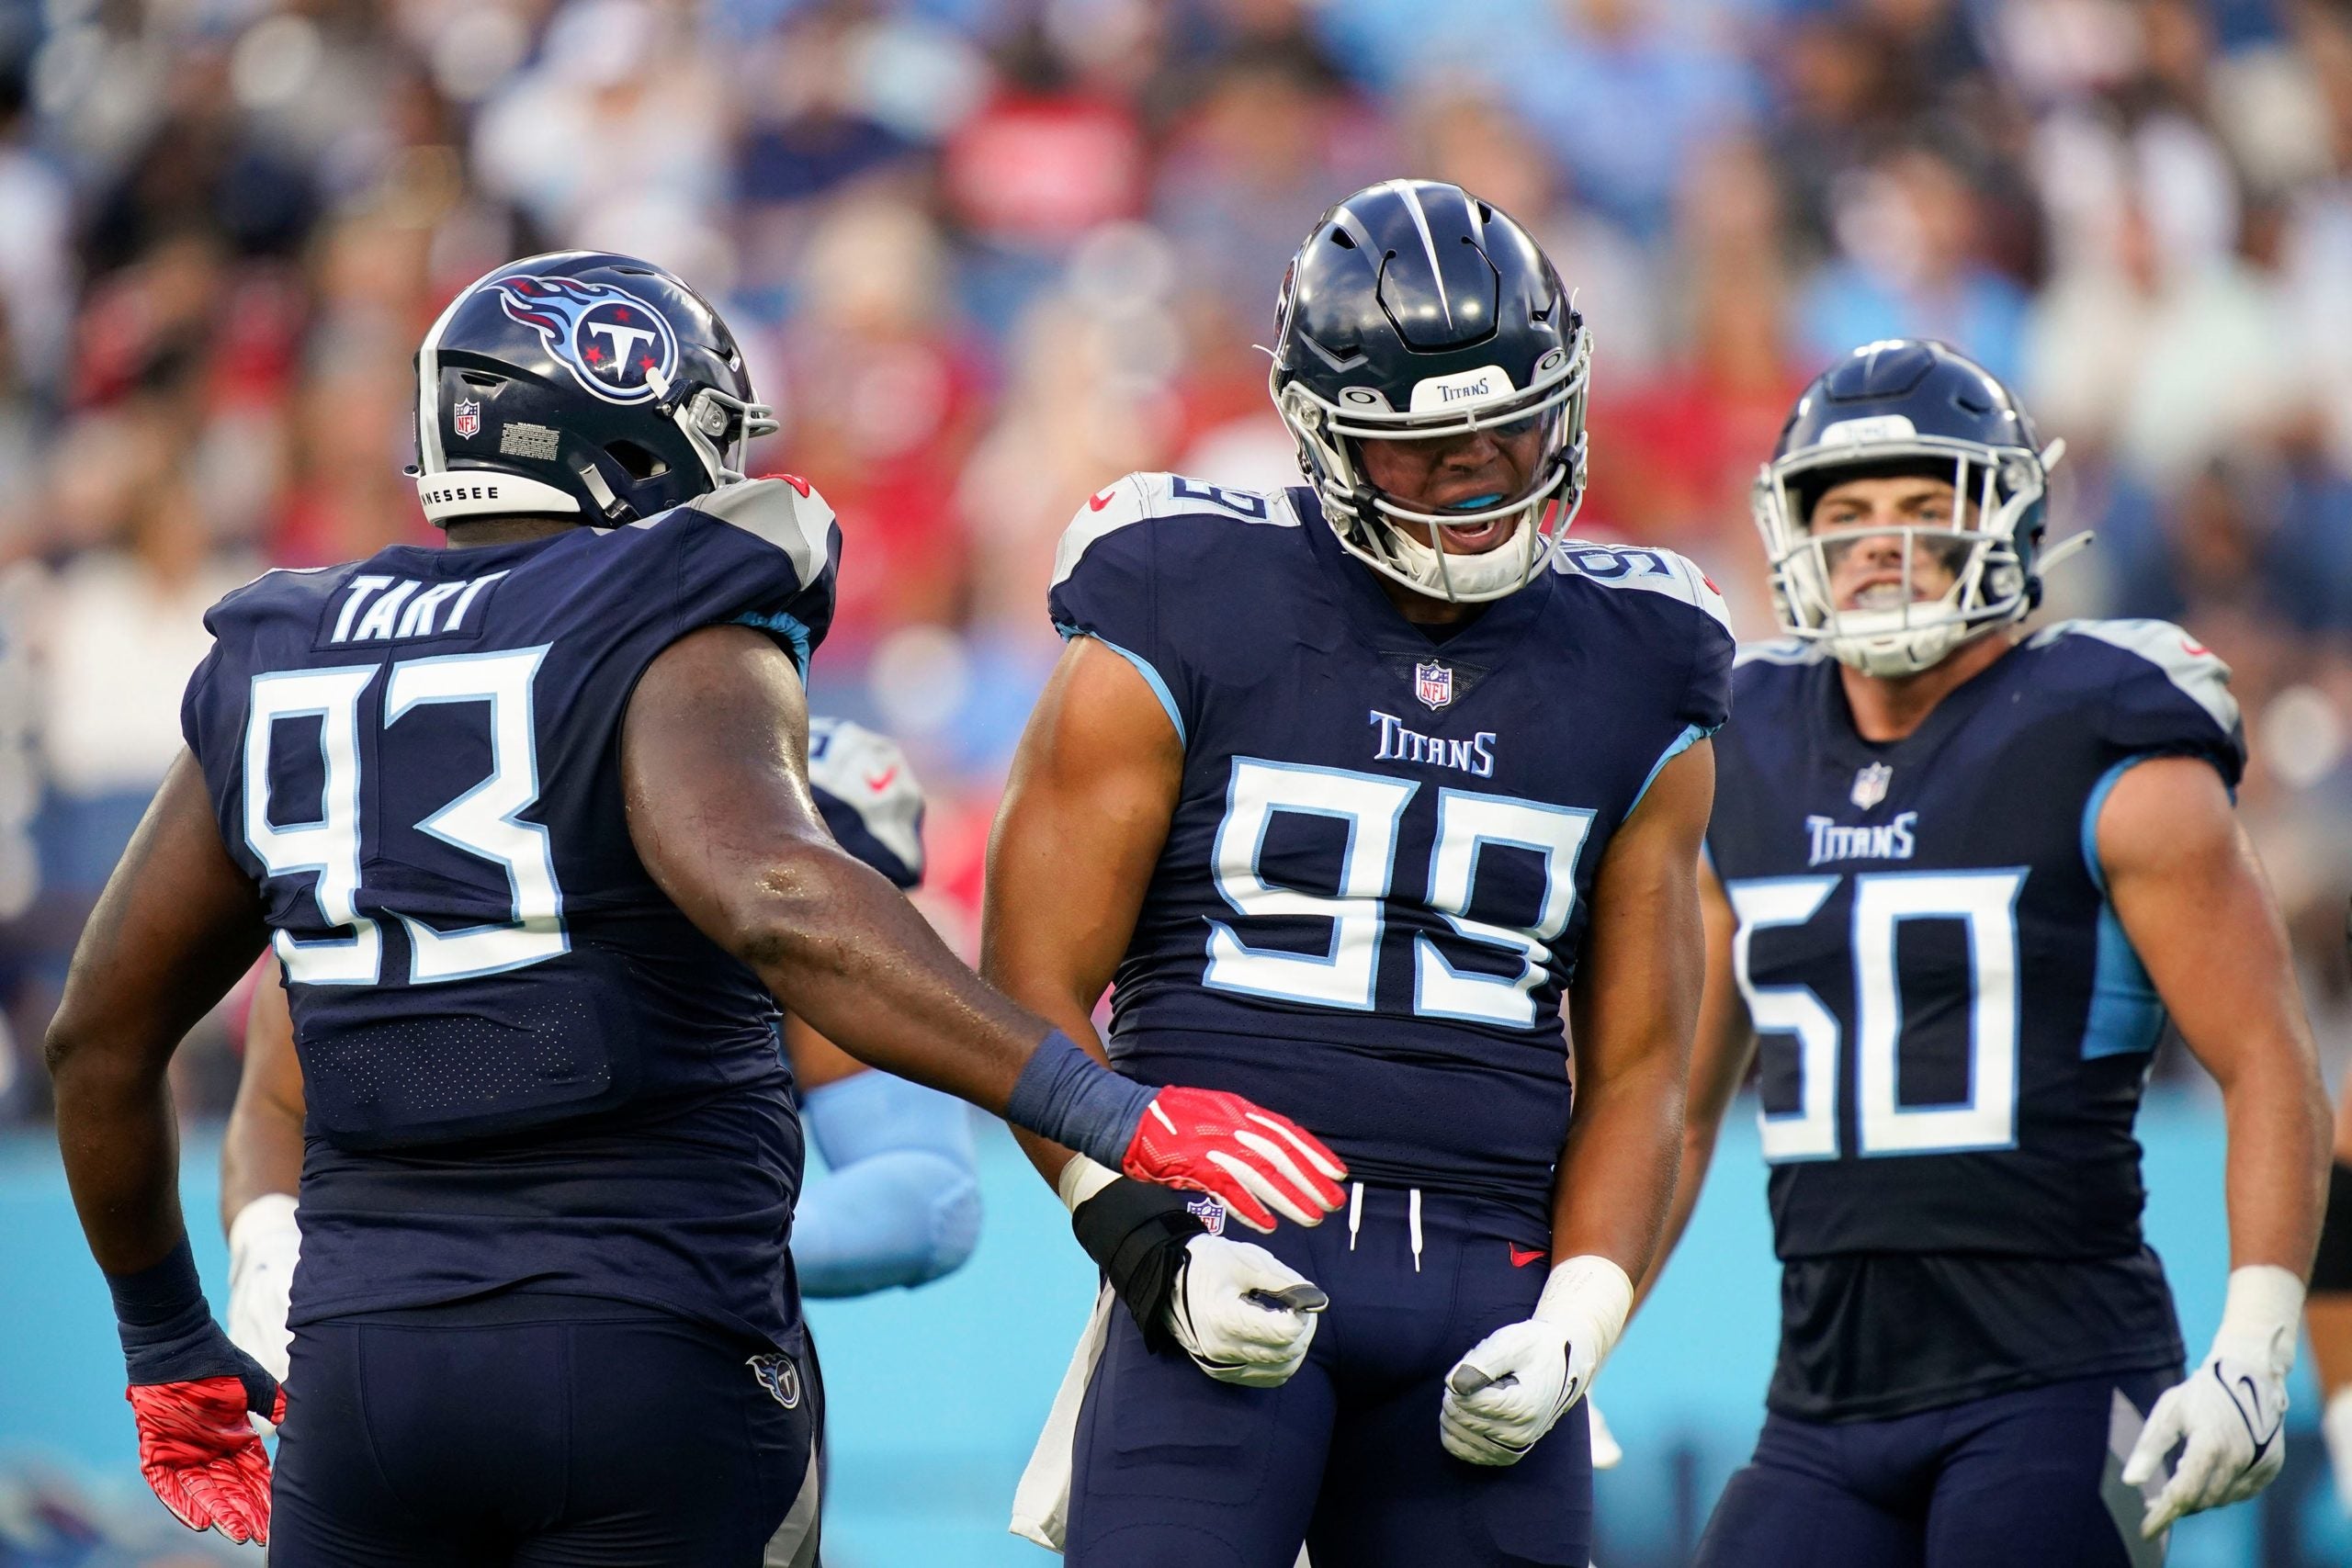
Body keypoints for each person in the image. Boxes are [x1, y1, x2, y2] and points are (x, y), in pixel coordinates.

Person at [43, 249, 1347, 1566]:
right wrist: (1113, 1107)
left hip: (366, 1387)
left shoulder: (282, 652)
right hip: (646, 1349)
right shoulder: (668, 609)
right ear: (629, 432)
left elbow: (95, 1037)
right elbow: (777, 896)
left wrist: (165, 1342)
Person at [988, 180, 1733, 1568]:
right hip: (1232, 1247)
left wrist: (1581, 1315)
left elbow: (1639, 1066)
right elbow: (1027, 981)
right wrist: (1139, 1227)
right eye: (1425, 452)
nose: (1486, 480)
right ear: (1327, 439)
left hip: (1493, 1280)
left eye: (1511, 432)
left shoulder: (1644, 656)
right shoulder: (1181, 591)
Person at [1653, 338, 2330, 1566]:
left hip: (2067, 1380)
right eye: (1846, 510)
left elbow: (2269, 1061)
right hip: (1822, 1401)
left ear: (2004, 520)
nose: (1881, 542)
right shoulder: (1741, 748)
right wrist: (1577, 1326)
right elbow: (1676, 1113)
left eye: (1924, 506)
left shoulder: (2108, 740)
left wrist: (2254, 1340)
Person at [220, 716, 979, 1382]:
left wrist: (702, 1242)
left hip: (655, 1347)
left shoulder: (777, 798)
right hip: (401, 1338)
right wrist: (270, 1251)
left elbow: (930, 1193)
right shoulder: (402, 833)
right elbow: (274, 1100)